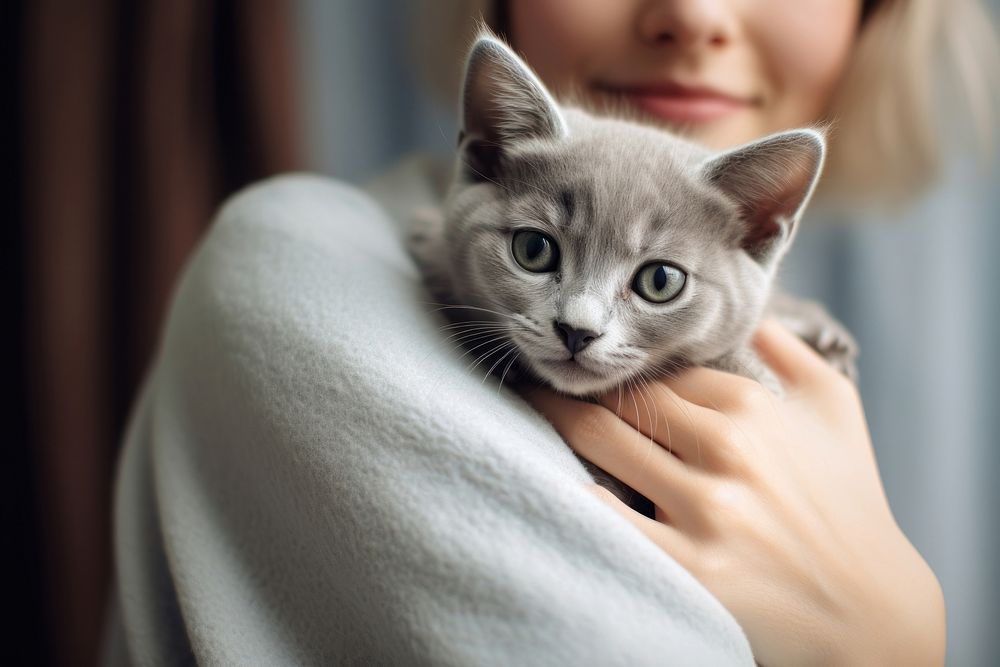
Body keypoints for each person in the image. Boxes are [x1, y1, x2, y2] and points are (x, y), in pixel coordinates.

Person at [106, 1, 999, 665]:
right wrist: (892, 643)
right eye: (537, 249)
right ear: (485, 151)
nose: (691, 17)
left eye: (656, 279)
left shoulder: (783, 345)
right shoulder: (305, 265)